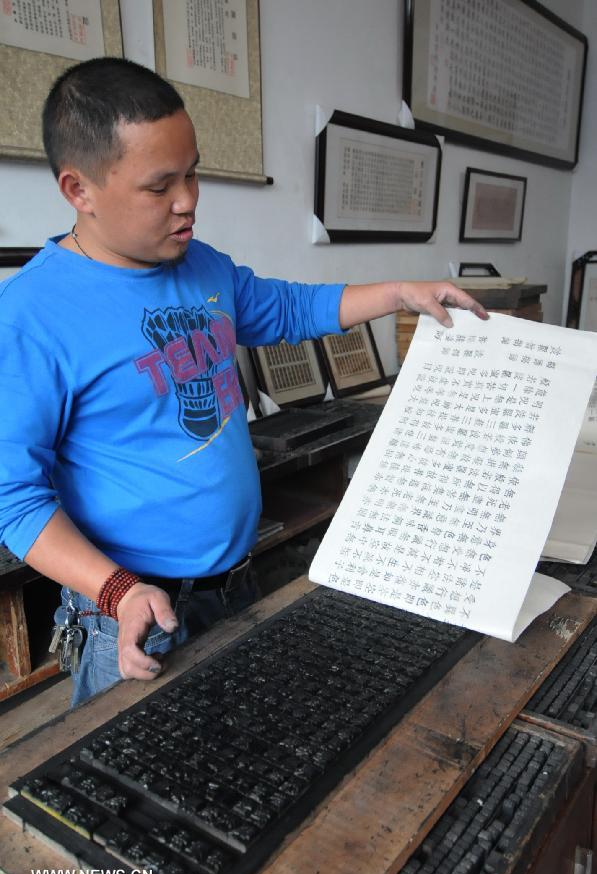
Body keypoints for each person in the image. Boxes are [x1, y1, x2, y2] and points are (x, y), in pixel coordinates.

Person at [0, 58, 488, 706]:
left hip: (234, 583)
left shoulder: (201, 265)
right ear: (78, 190)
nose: (189, 201)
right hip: (134, 614)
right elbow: (15, 500)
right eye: (160, 186)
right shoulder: (32, 316)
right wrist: (116, 590)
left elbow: (288, 309)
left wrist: (401, 291)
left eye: (193, 172)